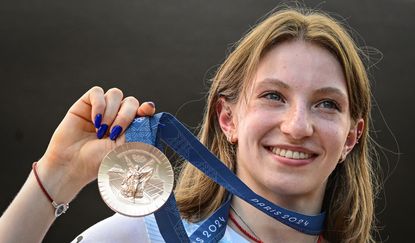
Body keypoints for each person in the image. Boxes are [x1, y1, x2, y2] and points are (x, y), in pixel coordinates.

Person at [0, 6, 379, 243]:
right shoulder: (140, 237)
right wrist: (56, 177)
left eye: (326, 104)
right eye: (273, 96)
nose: (298, 126)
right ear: (227, 118)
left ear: (350, 137)